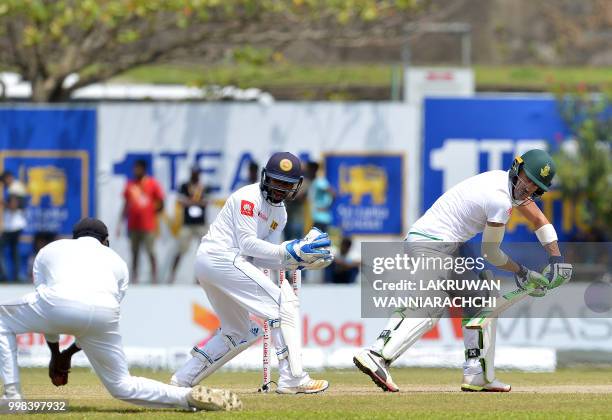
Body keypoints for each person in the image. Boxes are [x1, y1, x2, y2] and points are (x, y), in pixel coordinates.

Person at [353, 149, 573, 392]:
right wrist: (522, 272)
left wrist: (556, 258)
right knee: (430, 305)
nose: (528, 187)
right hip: (431, 242)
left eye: (535, 185)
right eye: (527, 178)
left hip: (450, 245)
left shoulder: (508, 184)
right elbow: (491, 254)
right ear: (516, 168)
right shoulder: (500, 198)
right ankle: (377, 354)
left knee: (482, 299)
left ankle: (477, 374)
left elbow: (539, 221)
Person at [0, 218, 241, 411]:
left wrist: (57, 355)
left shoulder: (51, 249)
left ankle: (13, 396)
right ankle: (186, 396)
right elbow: (92, 316)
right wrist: (68, 354)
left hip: (58, 303)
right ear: (105, 241)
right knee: (122, 386)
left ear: (74, 238)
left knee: (3, 320)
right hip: (104, 312)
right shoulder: (117, 262)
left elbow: (49, 308)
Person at [171, 152, 333, 394]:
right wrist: (289, 250)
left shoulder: (280, 213)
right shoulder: (248, 197)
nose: (279, 189)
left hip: (222, 263)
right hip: (221, 257)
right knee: (283, 303)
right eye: (276, 182)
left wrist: (297, 261)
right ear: (265, 177)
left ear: (295, 186)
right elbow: (247, 244)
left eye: (286, 185)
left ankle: (183, 379)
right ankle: (293, 378)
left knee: (242, 331)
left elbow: (264, 257)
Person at [118, 159, 164, 284]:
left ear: (143, 169)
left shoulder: (152, 183)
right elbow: (126, 204)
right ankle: (134, 278)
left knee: (150, 251)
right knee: (134, 252)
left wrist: (150, 210)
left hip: (148, 225)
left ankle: (154, 278)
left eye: (138, 168)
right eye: (134, 168)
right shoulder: (130, 184)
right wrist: (120, 223)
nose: (135, 171)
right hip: (133, 225)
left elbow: (161, 202)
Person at [169, 166, 210, 284]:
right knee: (180, 249)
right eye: (193, 173)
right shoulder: (185, 186)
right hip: (187, 224)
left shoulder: (203, 187)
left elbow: (206, 202)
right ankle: (172, 275)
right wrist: (194, 202)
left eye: (196, 173)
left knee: (204, 251)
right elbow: (180, 201)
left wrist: (191, 202)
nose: (195, 175)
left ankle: (199, 278)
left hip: (200, 224)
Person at [0, 194, 27, 282]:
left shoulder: (20, 211)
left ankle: (17, 275)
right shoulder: (4, 210)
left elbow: (14, 208)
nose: (13, 204)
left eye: (15, 202)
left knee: (15, 254)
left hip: (16, 232)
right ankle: (4, 275)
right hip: (6, 232)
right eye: (12, 202)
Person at [307, 161, 335, 232]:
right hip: (316, 217)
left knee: (320, 240)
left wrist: (326, 207)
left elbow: (333, 193)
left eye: (309, 170)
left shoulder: (319, 181)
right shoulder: (314, 181)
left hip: (321, 218)